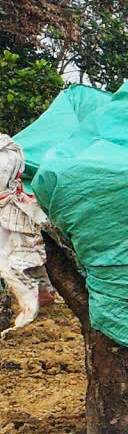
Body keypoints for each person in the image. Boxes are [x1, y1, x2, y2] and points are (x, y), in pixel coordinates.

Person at [0, 132, 51, 332]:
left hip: (11, 211)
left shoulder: (7, 152)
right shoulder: (10, 150)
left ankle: (33, 301)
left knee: (11, 265)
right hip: (13, 207)